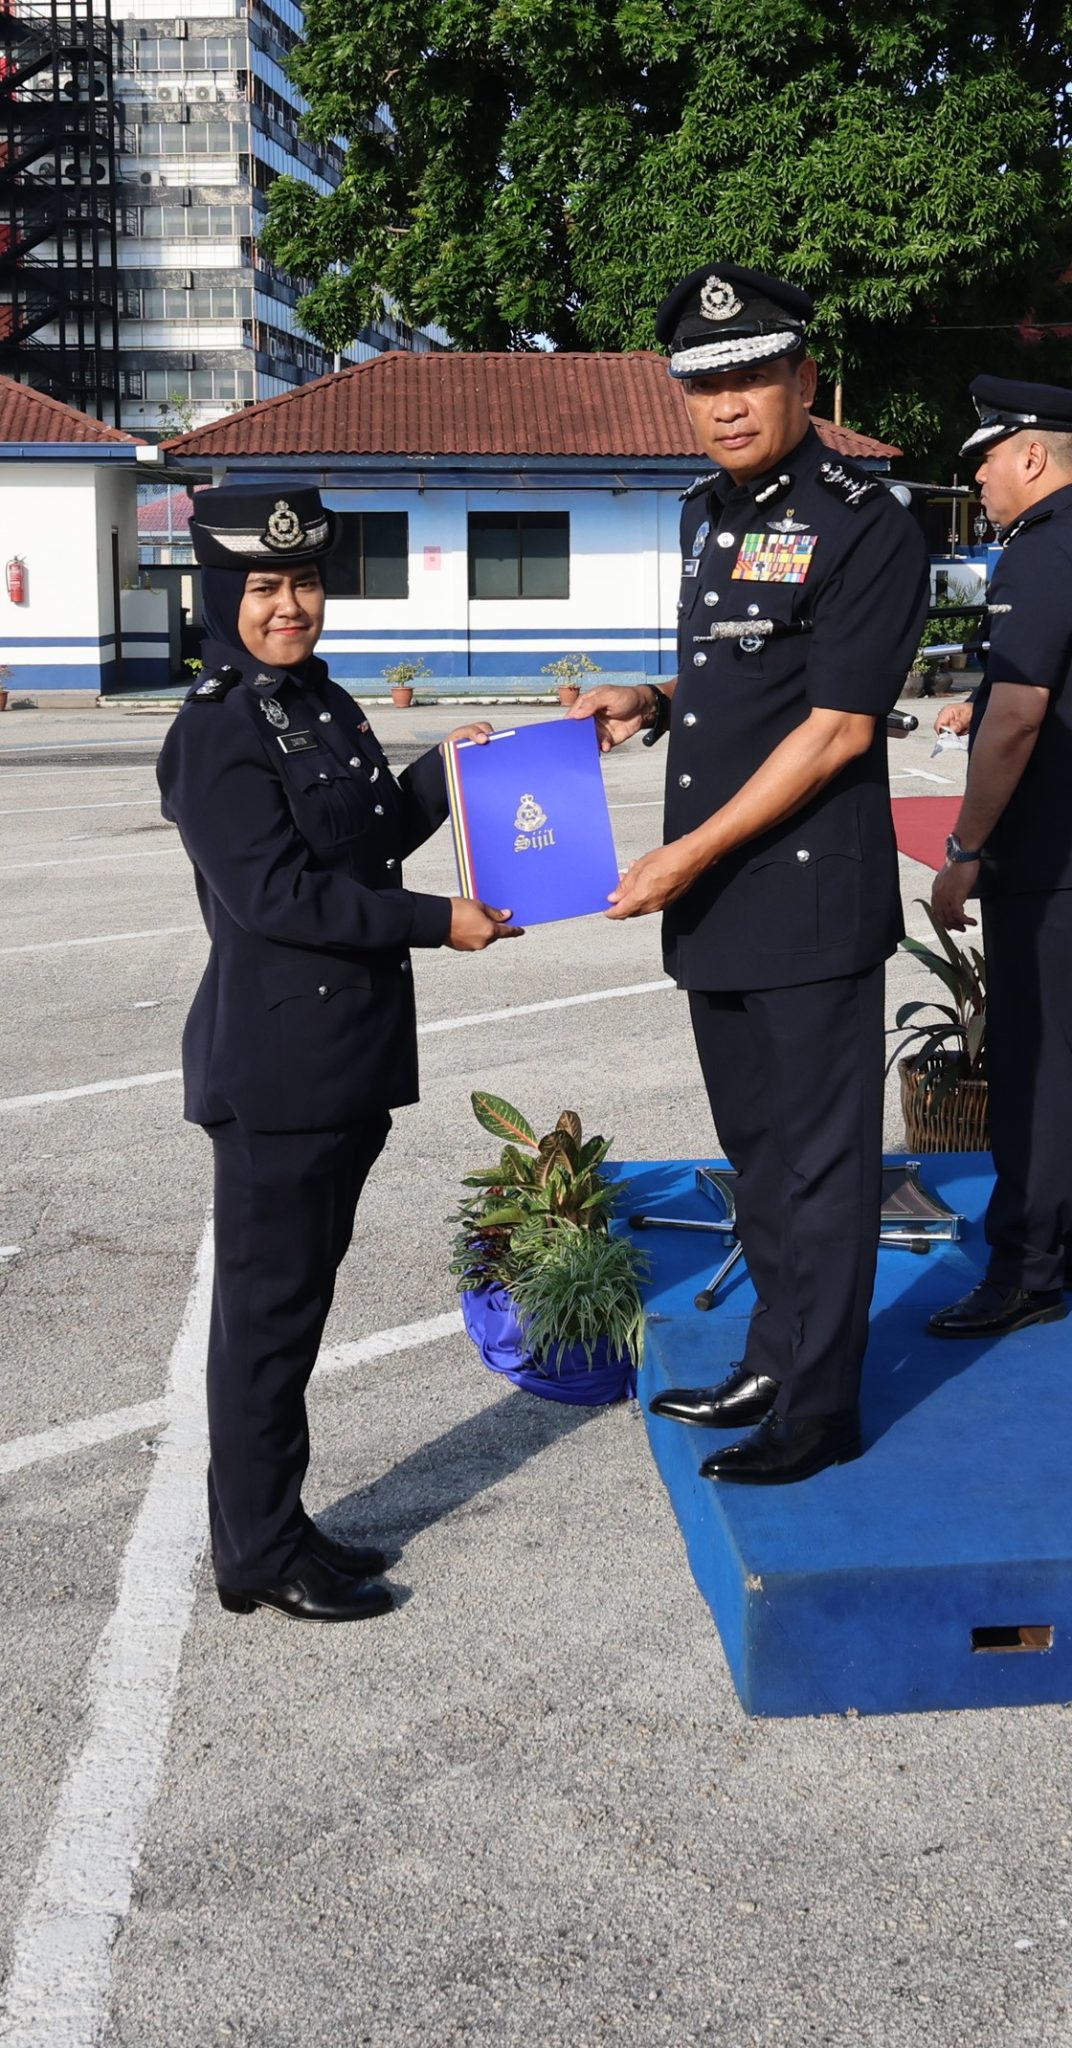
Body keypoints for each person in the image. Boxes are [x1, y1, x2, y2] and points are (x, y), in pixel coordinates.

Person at [571, 262, 929, 1484]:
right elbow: (742, 678)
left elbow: (836, 727)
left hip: (804, 899)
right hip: (719, 901)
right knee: (759, 1154)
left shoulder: (865, 523)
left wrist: (683, 852)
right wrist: (651, 698)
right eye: (703, 381)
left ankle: (820, 1407)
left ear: (803, 377)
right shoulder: (705, 512)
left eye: (749, 374)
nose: (726, 402)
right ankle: (776, 1352)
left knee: (824, 1169)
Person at [158, 485, 521, 1622]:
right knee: (266, 1323)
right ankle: (256, 1555)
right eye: (264, 587)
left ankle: (277, 1520)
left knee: (294, 1310)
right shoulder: (216, 731)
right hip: (278, 1074)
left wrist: (441, 770)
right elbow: (276, 895)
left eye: (305, 582)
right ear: (222, 596)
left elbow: (358, 839)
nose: (289, 606)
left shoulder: (313, 701)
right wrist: (438, 919)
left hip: (340, 1059)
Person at [927, 376, 1072, 1339]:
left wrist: (966, 848)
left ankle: (1026, 1267)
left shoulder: (1040, 550)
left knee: (1038, 1066)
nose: (977, 476)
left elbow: (1021, 720)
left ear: (1031, 455)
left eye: (985, 456)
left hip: (1051, 860)